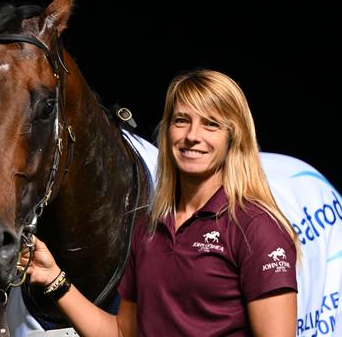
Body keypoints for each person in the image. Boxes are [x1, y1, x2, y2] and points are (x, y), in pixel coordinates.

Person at [24, 69, 299, 336]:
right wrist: (53, 278)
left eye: (211, 124)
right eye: (181, 121)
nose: (192, 136)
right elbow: (121, 333)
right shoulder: (148, 228)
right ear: (167, 132)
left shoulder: (256, 228)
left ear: (233, 137)